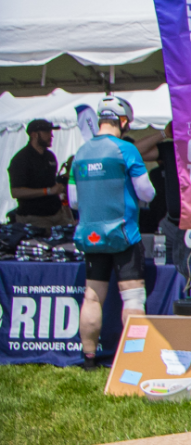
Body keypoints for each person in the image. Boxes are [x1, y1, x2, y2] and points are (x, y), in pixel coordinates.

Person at [68, 97, 155, 369]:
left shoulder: (79, 153)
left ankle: (89, 359)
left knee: (92, 297)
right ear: (124, 121)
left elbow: (72, 200)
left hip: (91, 237)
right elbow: (146, 192)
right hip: (123, 234)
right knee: (132, 297)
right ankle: (134, 359)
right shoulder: (126, 150)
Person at [9, 117, 64, 230]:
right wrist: (47, 191)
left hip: (57, 213)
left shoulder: (50, 156)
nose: (51, 136)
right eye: (47, 132)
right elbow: (16, 191)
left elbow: (52, 183)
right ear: (34, 134)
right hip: (34, 217)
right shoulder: (21, 159)